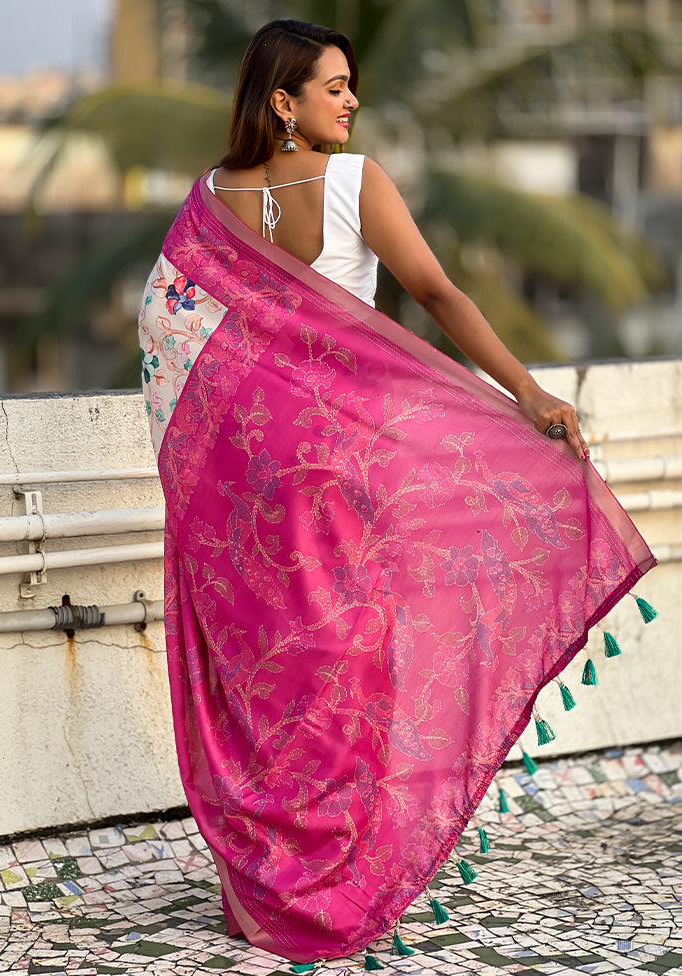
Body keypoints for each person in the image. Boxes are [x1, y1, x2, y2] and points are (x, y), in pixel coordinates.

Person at [138, 19, 655, 966]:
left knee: (267, 665)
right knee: (345, 657)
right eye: (334, 87)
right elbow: (439, 295)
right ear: (283, 102)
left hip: (243, 482)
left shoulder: (207, 203)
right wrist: (525, 391)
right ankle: (325, 882)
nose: (351, 101)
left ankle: (256, 890)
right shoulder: (351, 183)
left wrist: (197, 470)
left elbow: (161, 335)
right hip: (338, 469)